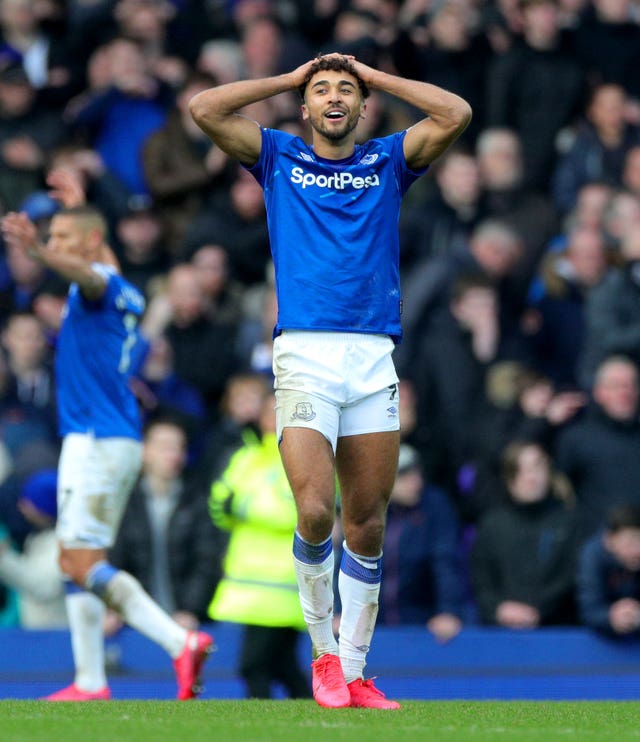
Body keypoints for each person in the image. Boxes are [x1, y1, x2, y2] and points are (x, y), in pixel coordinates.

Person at [189, 51, 471, 709]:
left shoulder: (388, 160)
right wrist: (287, 80)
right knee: (317, 511)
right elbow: (205, 108)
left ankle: (355, 669)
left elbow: (455, 113)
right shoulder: (278, 156)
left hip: (373, 357)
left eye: (347, 89)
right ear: (307, 108)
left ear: (363, 105)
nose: (335, 98)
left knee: (366, 522)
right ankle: (322, 658)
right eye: (323, 90)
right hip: (306, 353)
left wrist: (377, 76)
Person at [0, 204, 213, 701]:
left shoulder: (95, 283)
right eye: (51, 236)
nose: (57, 245)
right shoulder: (121, 285)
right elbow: (96, 263)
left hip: (96, 441)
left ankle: (179, 641)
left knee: (77, 563)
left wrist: (35, 250)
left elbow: (85, 270)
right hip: (108, 437)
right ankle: (90, 680)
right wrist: (75, 205)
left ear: (92, 243)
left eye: (64, 236)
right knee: (78, 557)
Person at [208, 392, 311, 699]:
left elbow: (294, 513)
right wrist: (240, 506)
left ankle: (265, 722)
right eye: (270, 412)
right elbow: (217, 505)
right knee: (281, 664)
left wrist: (241, 505)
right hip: (250, 586)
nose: (274, 420)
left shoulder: (305, 459)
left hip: (284, 584)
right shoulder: (246, 456)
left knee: (254, 666)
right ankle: (316, 717)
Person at [471, 441, 579, 628]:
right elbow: (481, 580)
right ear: (509, 478)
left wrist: (537, 610)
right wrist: (498, 608)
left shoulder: (570, 521)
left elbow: (573, 577)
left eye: (537, 467)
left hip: (559, 632)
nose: (531, 477)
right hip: (501, 636)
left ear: (549, 473)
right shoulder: (492, 524)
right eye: (521, 470)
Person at [576, 503, 640, 636]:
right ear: (610, 539)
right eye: (631, 542)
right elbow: (589, 608)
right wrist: (609, 617)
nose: (637, 551)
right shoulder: (592, 555)